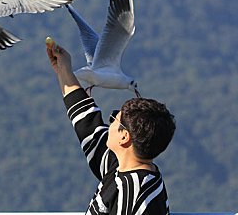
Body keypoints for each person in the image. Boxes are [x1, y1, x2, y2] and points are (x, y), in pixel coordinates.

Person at [47, 44, 176, 215]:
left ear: (124, 137)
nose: (110, 120)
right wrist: (63, 70)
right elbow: (87, 123)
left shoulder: (134, 195)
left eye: (116, 117)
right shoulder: (121, 166)